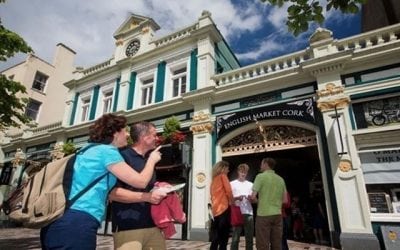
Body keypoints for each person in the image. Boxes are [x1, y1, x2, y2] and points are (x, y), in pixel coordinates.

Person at [40, 114, 163, 250]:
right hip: (78, 221)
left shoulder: (86, 150)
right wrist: (152, 160)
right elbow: (140, 182)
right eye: (124, 130)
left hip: (59, 219)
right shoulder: (107, 152)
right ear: (115, 133)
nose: (128, 135)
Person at [110, 121, 168, 250]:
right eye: (154, 135)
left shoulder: (148, 159)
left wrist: (160, 188)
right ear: (144, 137)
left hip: (152, 225)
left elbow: (147, 187)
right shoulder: (122, 157)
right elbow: (113, 193)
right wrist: (147, 196)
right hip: (128, 226)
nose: (157, 138)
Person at [251, 157, 287, 250]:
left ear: (266, 164)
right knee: (277, 244)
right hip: (278, 215)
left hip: (263, 215)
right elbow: (285, 201)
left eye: (261, 163)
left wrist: (258, 201)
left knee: (263, 244)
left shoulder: (260, 177)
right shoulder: (280, 179)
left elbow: (253, 197)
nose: (260, 166)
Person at [210, 160, 234, 250]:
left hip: (215, 210)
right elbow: (229, 191)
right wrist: (233, 202)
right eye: (227, 169)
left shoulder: (213, 181)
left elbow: (212, 196)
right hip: (224, 208)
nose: (228, 171)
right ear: (223, 168)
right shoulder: (223, 176)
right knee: (224, 236)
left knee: (216, 236)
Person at [230, 163, 254, 250]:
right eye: (241, 172)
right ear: (238, 172)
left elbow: (255, 200)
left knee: (249, 237)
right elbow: (229, 200)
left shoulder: (251, 184)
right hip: (237, 212)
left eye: (245, 172)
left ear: (247, 173)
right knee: (235, 237)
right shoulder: (231, 184)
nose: (243, 174)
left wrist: (251, 198)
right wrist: (236, 198)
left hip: (248, 212)